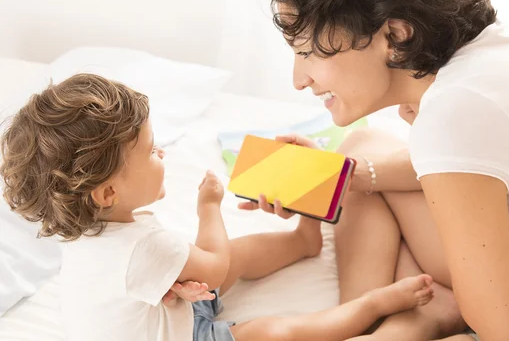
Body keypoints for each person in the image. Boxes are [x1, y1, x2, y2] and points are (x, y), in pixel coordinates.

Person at [240, 0, 509, 340]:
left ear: (393, 34)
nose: (299, 79)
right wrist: (345, 179)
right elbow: (474, 166)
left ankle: (372, 322)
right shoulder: (498, 48)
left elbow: (501, 329)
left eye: (309, 52)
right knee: (360, 150)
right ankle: (376, 312)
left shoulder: (454, 113)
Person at [0, 73, 435, 341]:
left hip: (164, 312)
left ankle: (304, 241)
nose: (163, 157)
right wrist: (209, 208)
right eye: (152, 152)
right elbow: (213, 265)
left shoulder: (89, 236)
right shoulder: (145, 248)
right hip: (187, 334)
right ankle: (372, 307)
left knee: (235, 258)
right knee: (271, 330)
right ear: (107, 193)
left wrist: (182, 282)